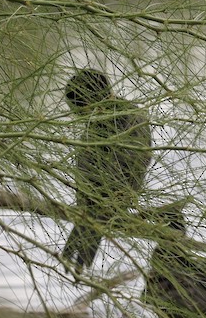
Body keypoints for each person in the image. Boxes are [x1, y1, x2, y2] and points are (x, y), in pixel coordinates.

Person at [61, 68, 152, 270]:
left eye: (79, 109)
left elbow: (121, 167)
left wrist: (100, 206)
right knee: (81, 245)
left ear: (88, 102)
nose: (78, 115)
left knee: (83, 243)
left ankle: (76, 259)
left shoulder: (116, 120)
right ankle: (76, 259)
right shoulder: (126, 114)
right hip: (104, 202)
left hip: (104, 203)